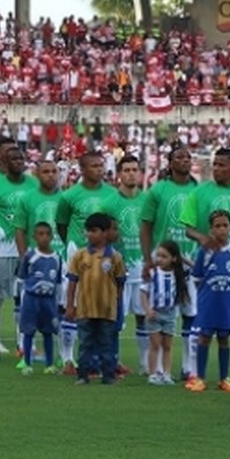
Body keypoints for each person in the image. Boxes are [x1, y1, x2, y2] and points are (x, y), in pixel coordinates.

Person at [180, 149, 230, 387]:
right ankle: (194, 372)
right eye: (215, 164)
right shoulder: (199, 192)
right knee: (199, 322)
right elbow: (188, 228)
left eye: (223, 165)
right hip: (209, 262)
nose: (217, 169)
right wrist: (204, 240)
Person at [56, 150, 118, 372]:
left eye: (101, 165)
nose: (100, 169)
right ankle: (68, 358)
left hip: (104, 256)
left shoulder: (112, 194)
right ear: (82, 169)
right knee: (72, 304)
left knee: (101, 304)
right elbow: (61, 224)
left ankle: (99, 358)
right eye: (94, 166)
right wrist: (73, 246)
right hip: (77, 252)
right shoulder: (69, 196)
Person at [141, 146, 198, 378]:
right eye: (179, 157)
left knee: (190, 314)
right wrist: (148, 259)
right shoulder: (158, 190)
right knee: (161, 312)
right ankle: (154, 366)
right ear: (170, 162)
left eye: (188, 157)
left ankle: (187, 366)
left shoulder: (199, 189)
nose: (184, 161)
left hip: (190, 259)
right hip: (163, 263)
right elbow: (145, 225)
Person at [0, 147, 37, 360]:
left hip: (28, 249)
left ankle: (25, 344)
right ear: (3, 162)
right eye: (14, 158)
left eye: (21, 157)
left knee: (26, 298)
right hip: (2, 251)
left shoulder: (34, 184)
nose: (19, 161)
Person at [14, 160, 66, 367]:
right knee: (28, 307)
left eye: (54, 171)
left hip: (59, 259)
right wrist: (23, 256)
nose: (51, 175)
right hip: (35, 262)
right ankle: (24, 352)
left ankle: (64, 355)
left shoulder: (66, 198)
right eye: (46, 171)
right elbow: (19, 229)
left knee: (60, 309)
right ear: (37, 174)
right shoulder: (27, 199)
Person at [66, 213, 126, 385]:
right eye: (88, 231)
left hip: (107, 309)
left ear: (106, 232)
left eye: (95, 231)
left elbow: (120, 282)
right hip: (85, 308)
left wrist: (115, 301)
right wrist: (70, 305)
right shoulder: (79, 256)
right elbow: (72, 282)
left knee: (106, 343)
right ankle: (83, 375)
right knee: (85, 343)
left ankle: (108, 375)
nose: (90, 235)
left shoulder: (115, 257)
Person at [187, 210, 230, 393]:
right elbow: (196, 278)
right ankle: (200, 378)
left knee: (224, 339)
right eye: (217, 226)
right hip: (208, 303)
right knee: (204, 338)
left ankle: (223, 378)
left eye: (225, 225)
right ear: (211, 229)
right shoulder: (205, 251)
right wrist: (205, 295)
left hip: (226, 303)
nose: (222, 229)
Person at [102, 155, 148, 373]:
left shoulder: (147, 200)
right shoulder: (109, 202)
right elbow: (100, 237)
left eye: (134, 169)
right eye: (127, 169)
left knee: (143, 317)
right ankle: (113, 361)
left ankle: (146, 364)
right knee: (114, 321)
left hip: (142, 269)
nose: (131, 173)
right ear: (119, 174)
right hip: (117, 271)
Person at [141, 240, 189, 385]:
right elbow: (143, 293)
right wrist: (148, 309)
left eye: (164, 256)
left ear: (173, 258)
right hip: (154, 313)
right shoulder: (152, 273)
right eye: (158, 256)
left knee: (168, 345)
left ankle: (167, 374)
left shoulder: (178, 274)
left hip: (170, 314)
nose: (159, 259)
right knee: (155, 344)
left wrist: (182, 258)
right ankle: (153, 374)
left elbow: (194, 269)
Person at [17, 222, 62, 375]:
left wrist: (59, 302)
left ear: (51, 237)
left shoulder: (56, 257)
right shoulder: (30, 256)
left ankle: (49, 364)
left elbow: (58, 282)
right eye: (40, 234)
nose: (43, 238)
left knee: (48, 332)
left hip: (48, 300)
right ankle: (27, 363)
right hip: (32, 299)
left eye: (46, 234)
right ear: (34, 237)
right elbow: (22, 277)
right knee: (28, 331)